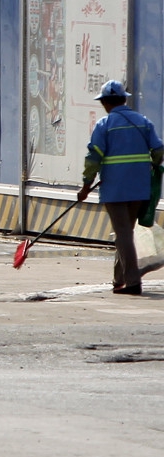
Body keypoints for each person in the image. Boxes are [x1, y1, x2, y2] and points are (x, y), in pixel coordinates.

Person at [77, 79, 164, 295]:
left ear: (105, 103)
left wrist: (86, 185)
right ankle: (119, 278)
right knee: (126, 232)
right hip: (139, 187)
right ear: (124, 99)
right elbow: (159, 150)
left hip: (115, 189)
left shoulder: (104, 125)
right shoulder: (143, 122)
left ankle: (133, 282)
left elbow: (93, 158)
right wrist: (151, 165)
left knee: (123, 233)